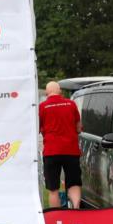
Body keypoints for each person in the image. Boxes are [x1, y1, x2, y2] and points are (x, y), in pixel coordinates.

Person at [39, 81, 82, 209]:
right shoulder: (71, 104)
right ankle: (76, 208)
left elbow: (39, 128)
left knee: (53, 189)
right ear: (60, 92)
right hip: (71, 151)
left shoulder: (42, 107)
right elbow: (79, 128)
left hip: (51, 152)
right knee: (74, 183)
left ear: (47, 93)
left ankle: (57, 215)